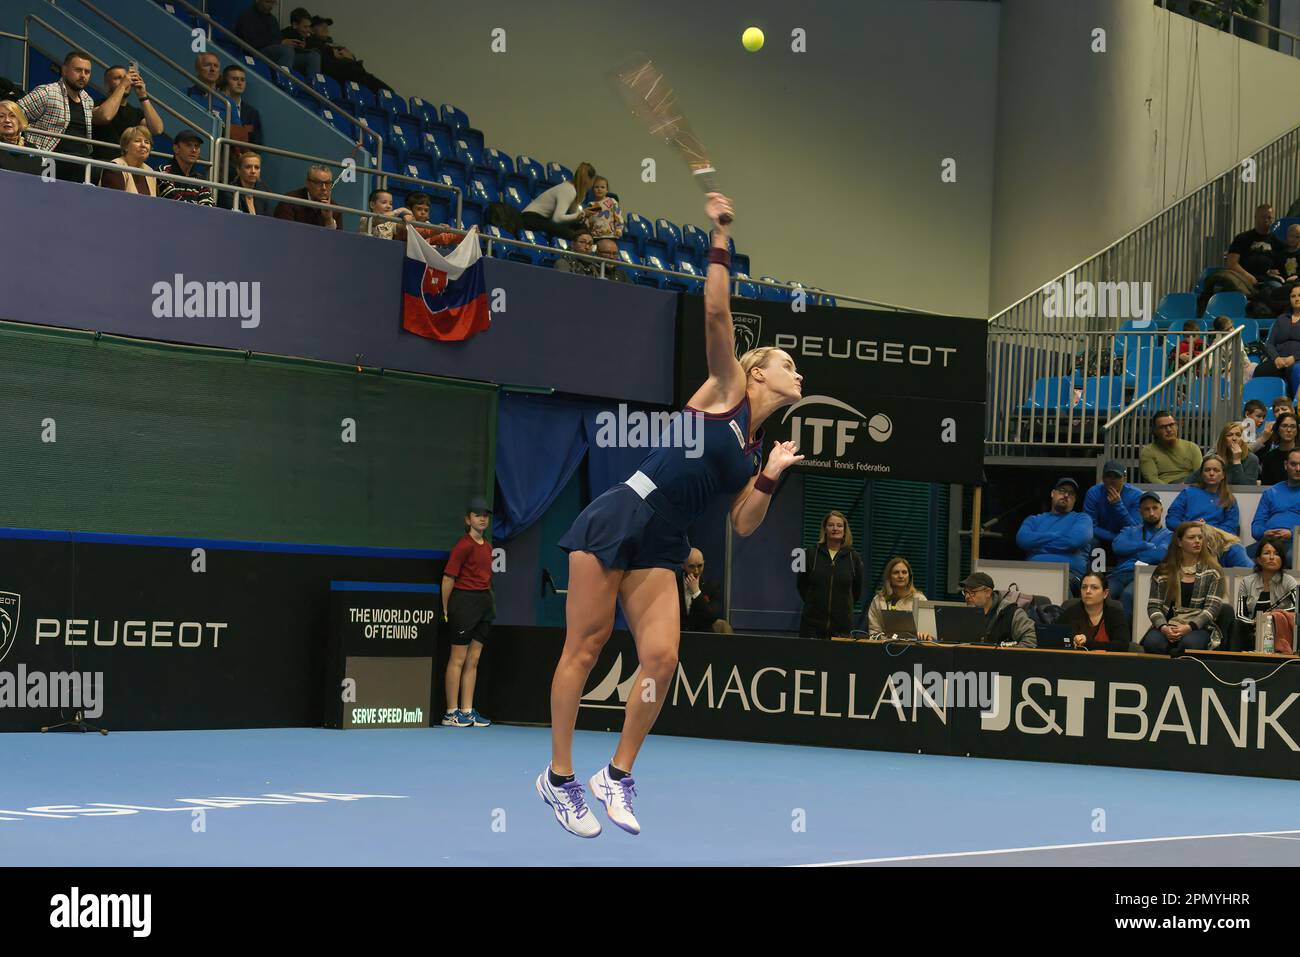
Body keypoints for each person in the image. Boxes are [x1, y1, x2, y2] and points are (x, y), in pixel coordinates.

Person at [538, 192, 805, 839]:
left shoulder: (751, 448)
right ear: (759, 374)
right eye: (789, 365)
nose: (798, 373)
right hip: (621, 515)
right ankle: (559, 777)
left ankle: (617, 774)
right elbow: (716, 309)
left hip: (665, 540)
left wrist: (770, 473)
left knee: (659, 660)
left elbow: (742, 524)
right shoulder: (727, 389)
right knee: (587, 645)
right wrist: (719, 235)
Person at [440, 496, 494, 729]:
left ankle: (467, 710)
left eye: (485, 515)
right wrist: (445, 608)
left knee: (474, 659)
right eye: (477, 515)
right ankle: (451, 713)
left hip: (483, 603)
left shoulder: (488, 547)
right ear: (468, 519)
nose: (482, 519)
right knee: (458, 659)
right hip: (463, 603)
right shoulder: (463, 546)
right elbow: (448, 578)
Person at [1142, 521, 1226, 653]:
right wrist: (1164, 627)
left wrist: (1189, 627)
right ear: (1179, 542)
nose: (1197, 541)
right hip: (1168, 624)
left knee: (1189, 644)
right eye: (1191, 538)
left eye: (1200, 537)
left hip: (1199, 627)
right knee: (1153, 643)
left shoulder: (1214, 571)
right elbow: (1153, 607)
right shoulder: (1163, 571)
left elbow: (1212, 608)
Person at [17, 49, 95, 181]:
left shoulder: (88, 100)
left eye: (87, 72)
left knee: (103, 168)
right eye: (78, 70)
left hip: (80, 163)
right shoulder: (47, 92)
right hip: (49, 159)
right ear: (64, 70)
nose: (83, 75)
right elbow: (15, 113)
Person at [1166, 454, 1250, 567]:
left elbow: (1230, 529)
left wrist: (1207, 530)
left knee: (1237, 549)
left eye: (1216, 470)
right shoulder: (1188, 493)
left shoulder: (1229, 499)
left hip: (1218, 542)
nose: (1211, 473)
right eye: (1207, 470)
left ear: (1223, 475)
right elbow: (1171, 520)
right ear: (1201, 474)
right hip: (1189, 540)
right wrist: (1192, 526)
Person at [795, 510, 864, 639]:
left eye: (839, 525)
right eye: (831, 525)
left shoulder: (854, 557)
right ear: (825, 529)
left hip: (842, 628)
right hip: (811, 628)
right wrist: (814, 602)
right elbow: (801, 585)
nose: (835, 528)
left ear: (845, 530)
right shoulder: (809, 554)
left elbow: (856, 591)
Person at [1015, 477, 1093, 590]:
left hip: (1069, 575)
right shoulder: (1034, 520)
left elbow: (1073, 541)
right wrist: (1056, 535)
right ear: (1052, 493)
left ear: (1074, 500)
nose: (1066, 495)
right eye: (1062, 490)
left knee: (1056, 585)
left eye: (1070, 493)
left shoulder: (1082, 519)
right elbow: (1022, 540)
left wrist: (1037, 546)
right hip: (1033, 572)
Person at [1110, 491, 1172, 617]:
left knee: (1127, 595)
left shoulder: (1170, 535)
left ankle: (1125, 636)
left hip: (1146, 575)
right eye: (1146, 509)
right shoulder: (1130, 530)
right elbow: (1117, 546)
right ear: (1140, 511)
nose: (1151, 513)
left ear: (1161, 509)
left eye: (1154, 508)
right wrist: (1143, 546)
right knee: (1102, 593)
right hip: (1120, 575)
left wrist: (1131, 552)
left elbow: (1159, 555)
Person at [1230, 539, 1298, 652]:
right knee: (1236, 624)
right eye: (1267, 553)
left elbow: (1297, 608)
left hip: (1278, 631)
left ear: (1282, 559)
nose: (1272, 557)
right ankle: (1233, 661)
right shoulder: (1247, 582)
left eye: (1276, 554)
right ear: (1259, 560)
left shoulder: (1289, 581)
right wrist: (1255, 622)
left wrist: (1272, 615)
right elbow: (1240, 614)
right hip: (1253, 630)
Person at [90, 64, 162, 166]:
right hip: (102, 163)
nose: (126, 80)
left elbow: (157, 129)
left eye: (125, 78)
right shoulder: (95, 104)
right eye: (118, 78)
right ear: (106, 84)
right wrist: (122, 85)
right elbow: (105, 116)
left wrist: (143, 95)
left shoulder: (136, 113)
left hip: (128, 166)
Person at [236, 0, 321, 78]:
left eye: (273, 3)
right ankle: (284, 84)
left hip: (276, 52)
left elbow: (279, 39)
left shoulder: (272, 19)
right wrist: (281, 42)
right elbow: (252, 41)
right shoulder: (247, 16)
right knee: (286, 50)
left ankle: (314, 90)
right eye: (268, 2)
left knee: (313, 56)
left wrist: (297, 47)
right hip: (256, 52)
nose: (271, 6)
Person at [307, 14, 390, 94]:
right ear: (311, 29)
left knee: (386, 89)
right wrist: (332, 51)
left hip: (352, 70)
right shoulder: (311, 41)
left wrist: (351, 57)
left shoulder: (334, 44)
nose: (325, 27)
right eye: (321, 25)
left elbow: (349, 55)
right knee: (354, 70)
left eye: (326, 26)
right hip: (335, 71)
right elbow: (313, 47)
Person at [519, 161, 596, 239]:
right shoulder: (569, 190)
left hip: (542, 219)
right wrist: (581, 214)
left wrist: (583, 215)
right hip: (530, 218)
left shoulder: (573, 190)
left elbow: (574, 216)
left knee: (581, 229)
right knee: (573, 235)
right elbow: (557, 219)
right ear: (588, 180)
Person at [960, 572, 1036, 647]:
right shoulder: (967, 615)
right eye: (965, 592)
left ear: (988, 592)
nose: (967, 596)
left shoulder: (1011, 613)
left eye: (972, 592)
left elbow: (1031, 640)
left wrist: (1008, 653)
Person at [1057, 571, 1129, 651]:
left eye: (1094, 587)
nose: (1088, 591)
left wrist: (1087, 643)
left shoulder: (1114, 614)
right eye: (1084, 587)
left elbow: (1122, 645)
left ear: (1105, 593)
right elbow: (1053, 640)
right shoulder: (1070, 612)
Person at [1251, 447, 1300, 560]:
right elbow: (1256, 526)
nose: (1298, 468)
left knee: (1291, 557)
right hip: (1269, 541)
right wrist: (1264, 533)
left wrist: (1292, 533)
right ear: (1285, 465)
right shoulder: (1271, 492)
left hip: (1296, 542)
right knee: (1239, 555)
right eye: (1293, 464)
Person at [1082, 460, 1143, 550]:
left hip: (1126, 539)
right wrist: (1115, 537)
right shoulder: (1094, 492)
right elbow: (1090, 526)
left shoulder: (1136, 495)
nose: (1112, 480)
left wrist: (1118, 505)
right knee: (1087, 540)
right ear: (1103, 478)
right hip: (1100, 538)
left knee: (1137, 543)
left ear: (1125, 479)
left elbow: (1135, 530)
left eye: (1117, 477)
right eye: (1108, 476)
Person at [866, 556, 932, 639]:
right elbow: (874, 630)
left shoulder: (920, 599)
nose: (901, 576)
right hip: (884, 647)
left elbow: (928, 631)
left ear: (909, 576)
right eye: (896, 572)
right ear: (889, 577)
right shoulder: (879, 600)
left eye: (904, 572)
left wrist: (925, 635)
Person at [1224, 204, 1282, 292]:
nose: (1266, 220)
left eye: (1269, 218)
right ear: (1255, 217)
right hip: (1242, 278)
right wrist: (1248, 277)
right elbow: (1231, 264)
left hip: (1267, 281)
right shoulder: (1242, 238)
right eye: (1263, 217)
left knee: (1278, 289)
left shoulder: (1277, 242)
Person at [1255, 287, 1300, 398]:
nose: (1297, 299)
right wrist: (1276, 358)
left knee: (1294, 370)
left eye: (1299, 295)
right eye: (1293, 296)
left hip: (1297, 361)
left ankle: (1294, 405)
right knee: (1260, 370)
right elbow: (1269, 343)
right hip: (1279, 361)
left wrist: (1294, 358)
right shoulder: (1281, 319)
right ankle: (1262, 405)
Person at [1139, 410, 1203, 484]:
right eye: (1163, 427)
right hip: (1164, 490)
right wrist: (1171, 490)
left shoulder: (1192, 447)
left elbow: (1200, 475)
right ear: (1155, 431)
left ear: (1177, 426)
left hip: (1190, 488)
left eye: (1171, 425)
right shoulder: (1148, 451)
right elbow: (1152, 479)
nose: (1169, 430)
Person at [676, 549, 731, 634]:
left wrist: (696, 592)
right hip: (678, 636)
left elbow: (712, 617)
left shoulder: (712, 586)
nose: (696, 571)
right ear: (683, 565)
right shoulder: (674, 585)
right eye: (691, 566)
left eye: (700, 566)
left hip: (703, 638)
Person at [157, 129, 215, 205]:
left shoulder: (200, 179)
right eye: (188, 145)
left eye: (197, 146)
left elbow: (209, 207)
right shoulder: (163, 171)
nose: (194, 150)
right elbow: (172, 203)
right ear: (176, 148)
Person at [99, 125, 159, 196]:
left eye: (146, 142)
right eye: (137, 141)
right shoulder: (114, 168)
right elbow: (114, 201)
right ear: (125, 146)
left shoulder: (150, 172)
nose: (143, 145)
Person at [274, 164, 340, 229]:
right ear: (307, 183)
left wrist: (329, 221)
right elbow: (283, 233)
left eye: (328, 183)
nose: (324, 188)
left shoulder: (334, 209)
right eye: (318, 183)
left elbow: (337, 239)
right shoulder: (289, 203)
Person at [393, 192, 460, 244]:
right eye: (419, 209)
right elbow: (416, 233)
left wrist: (466, 235)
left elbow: (441, 238)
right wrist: (436, 230)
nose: (423, 212)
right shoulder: (403, 222)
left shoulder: (428, 225)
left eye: (426, 210)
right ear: (409, 209)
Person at [220, 149, 268, 215]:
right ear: (238, 170)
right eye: (248, 167)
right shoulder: (229, 192)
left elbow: (268, 219)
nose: (253, 171)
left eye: (256, 167)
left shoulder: (264, 192)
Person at [0, 100, 41, 176]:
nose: (7, 120)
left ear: (19, 121)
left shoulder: (32, 149)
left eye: (12, 116)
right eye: (1, 116)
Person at [1212, 421, 1260, 485]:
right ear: (1223, 439)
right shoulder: (1215, 458)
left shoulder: (1252, 459)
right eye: (1229, 435)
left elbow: (1246, 489)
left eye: (1238, 435)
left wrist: (1237, 461)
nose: (1234, 438)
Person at [1259, 411, 1299, 486]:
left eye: (1293, 426)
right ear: (1277, 429)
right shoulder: (1269, 458)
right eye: (1284, 426)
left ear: (1297, 430)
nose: (1289, 430)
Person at [582, 175, 624, 240]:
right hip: (595, 236)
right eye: (596, 187)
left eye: (602, 187)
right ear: (593, 190)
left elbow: (618, 216)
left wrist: (619, 229)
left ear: (607, 190)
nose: (599, 189)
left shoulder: (611, 201)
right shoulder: (591, 204)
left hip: (610, 235)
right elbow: (588, 221)